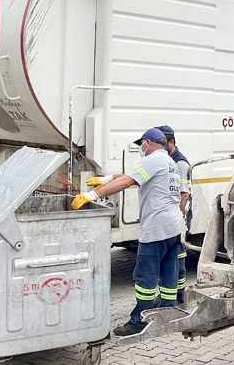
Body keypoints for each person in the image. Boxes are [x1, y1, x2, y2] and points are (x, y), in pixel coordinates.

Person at [71, 127, 182, 336]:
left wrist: (94, 194)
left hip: (156, 228)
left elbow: (129, 180)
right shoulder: (168, 162)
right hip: (173, 226)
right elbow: (132, 174)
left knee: (145, 276)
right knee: (169, 270)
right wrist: (105, 179)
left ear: (148, 143)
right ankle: (167, 309)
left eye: (141, 144)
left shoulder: (153, 160)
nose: (141, 148)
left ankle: (139, 320)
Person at [156, 125, 190, 304]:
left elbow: (184, 194)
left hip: (179, 217)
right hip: (174, 217)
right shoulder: (168, 161)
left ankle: (179, 294)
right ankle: (174, 293)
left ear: (172, 142)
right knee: (173, 257)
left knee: (178, 258)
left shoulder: (180, 163)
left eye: (164, 144)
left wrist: (177, 218)